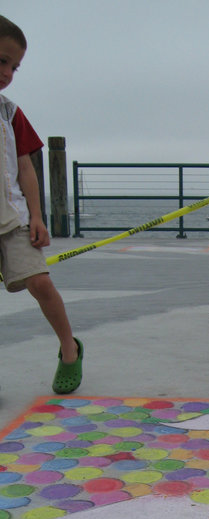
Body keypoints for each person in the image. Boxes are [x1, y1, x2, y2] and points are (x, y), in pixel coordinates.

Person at [0, 14, 83, 394]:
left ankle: (69, 348)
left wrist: (36, 215)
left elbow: (26, 168)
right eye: (2, 60)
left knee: (40, 282)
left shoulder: (10, 113)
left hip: (12, 215)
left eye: (15, 66)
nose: (8, 72)